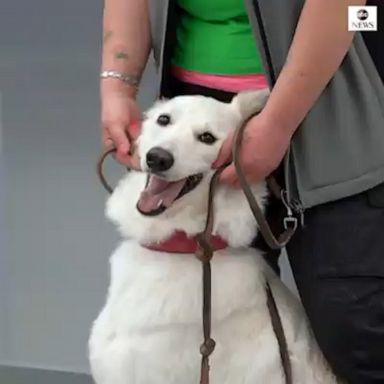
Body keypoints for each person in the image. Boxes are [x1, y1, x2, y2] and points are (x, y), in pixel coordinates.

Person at [100, 1, 384, 383]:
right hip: (199, 109)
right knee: (205, 339)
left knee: (357, 336)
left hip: (332, 99)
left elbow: (345, 5)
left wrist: (278, 123)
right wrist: (118, 84)